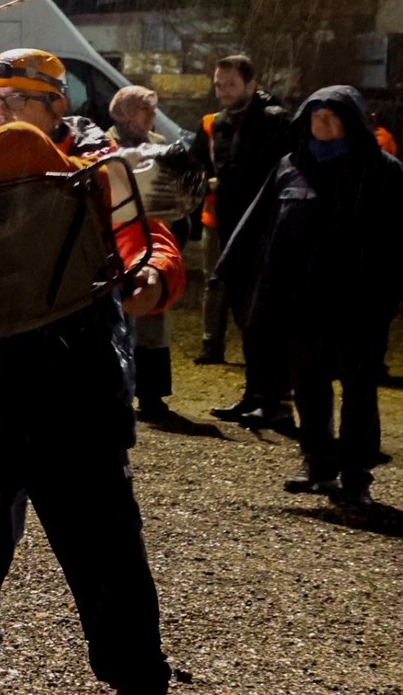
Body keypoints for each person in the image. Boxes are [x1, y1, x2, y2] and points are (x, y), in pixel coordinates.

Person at [0, 49, 184, 695]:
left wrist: (149, 280)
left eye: (15, 99)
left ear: (54, 105)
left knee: (106, 550)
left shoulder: (100, 169)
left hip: (78, 391)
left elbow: (151, 244)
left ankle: (141, 691)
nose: (0, 112)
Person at [214, 86, 402, 508]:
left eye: (333, 116)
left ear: (351, 121)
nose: (323, 122)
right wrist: (229, 268)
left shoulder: (381, 170)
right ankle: (317, 464)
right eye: (316, 115)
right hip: (301, 302)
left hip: (358, 304)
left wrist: (389, 295)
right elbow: (258, 222)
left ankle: (356, 476)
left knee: (358, 391)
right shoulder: (290, 167)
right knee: (309, 386)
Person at [196, 55, 290, 376]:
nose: (222, 91)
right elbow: (208, 166)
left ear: (251, 84)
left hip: (263, 228)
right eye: (218, 84)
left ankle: (272, 392)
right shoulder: (218, 123)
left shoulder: (274, 121)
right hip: (228, 224)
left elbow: (278, 173)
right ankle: (255, 390)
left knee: (263, 309)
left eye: (230, 85)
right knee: (239, 307)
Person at [107, 85, 188, 432]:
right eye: (145, 110)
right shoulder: (104, 145)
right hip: (117, 242)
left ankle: (153, 395)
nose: (151, 118)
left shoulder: (158, 145)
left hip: (154, 239)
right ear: (126, 112)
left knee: (153, 327)